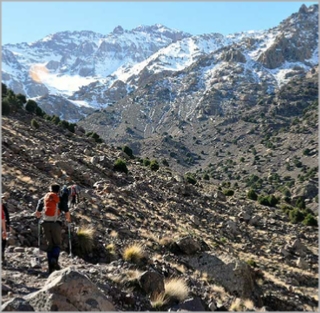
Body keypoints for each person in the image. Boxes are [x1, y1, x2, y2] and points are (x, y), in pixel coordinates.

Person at [35, 183, 71, 274]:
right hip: (55, 224)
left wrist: (42, 217)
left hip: (45, 224)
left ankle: (50, 268)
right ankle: (54, 259)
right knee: (57, 244)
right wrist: (68, 220)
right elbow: (66, 212)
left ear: (50, 189)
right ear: (58, 191)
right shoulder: (59, 199)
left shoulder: (43, 199)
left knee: (49, 245)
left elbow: (37, 214)